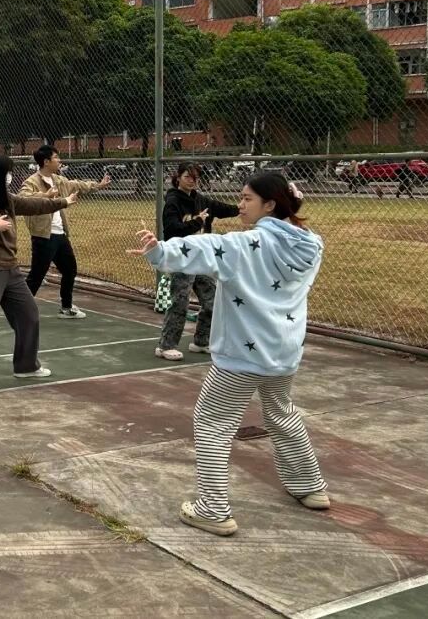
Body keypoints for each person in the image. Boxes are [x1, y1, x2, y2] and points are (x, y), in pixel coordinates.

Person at [128, 172, 328, 537]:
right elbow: (211, 247)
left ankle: (213, 509)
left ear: (270, 204)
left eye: (247, 198)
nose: (240, 204)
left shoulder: (245, 244)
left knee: (212, 421)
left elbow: (206, 248)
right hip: (284, 352)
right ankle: (310, 486)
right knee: (281, 413)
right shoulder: (310, 245)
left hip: (241, 355)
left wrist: (160, 251)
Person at [0, 155, 78, 391]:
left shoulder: (5, 198)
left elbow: (31, 205)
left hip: (10, 267)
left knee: (28, 314)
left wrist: (63, 202)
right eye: (7, 172)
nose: (10, 176)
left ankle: (26, 366)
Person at [155, 162, 240, 362]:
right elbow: (172, 230)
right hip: (182, 260)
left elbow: (221, 208)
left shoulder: (201, 200)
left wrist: (241, 208)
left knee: (212, 301)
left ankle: (201, 341)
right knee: (180, 302)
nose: (192, 181)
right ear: (178, 178)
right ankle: (166, 346)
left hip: (202, 259)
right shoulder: (173, 202)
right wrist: (198, 222)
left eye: (195, 177)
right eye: (187, 177)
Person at [20, 145, 110, 318]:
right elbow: (23, 198)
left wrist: (98, 185)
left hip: (60, 235)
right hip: (43, 236)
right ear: (46, 162)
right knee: (37, 275)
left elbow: (76, 185)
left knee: (70, 270)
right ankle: (20, 308)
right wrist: (45, 196)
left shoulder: (58, 180)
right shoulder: (32, 182)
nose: (59, 160)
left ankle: (66, 307)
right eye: (56, 157)